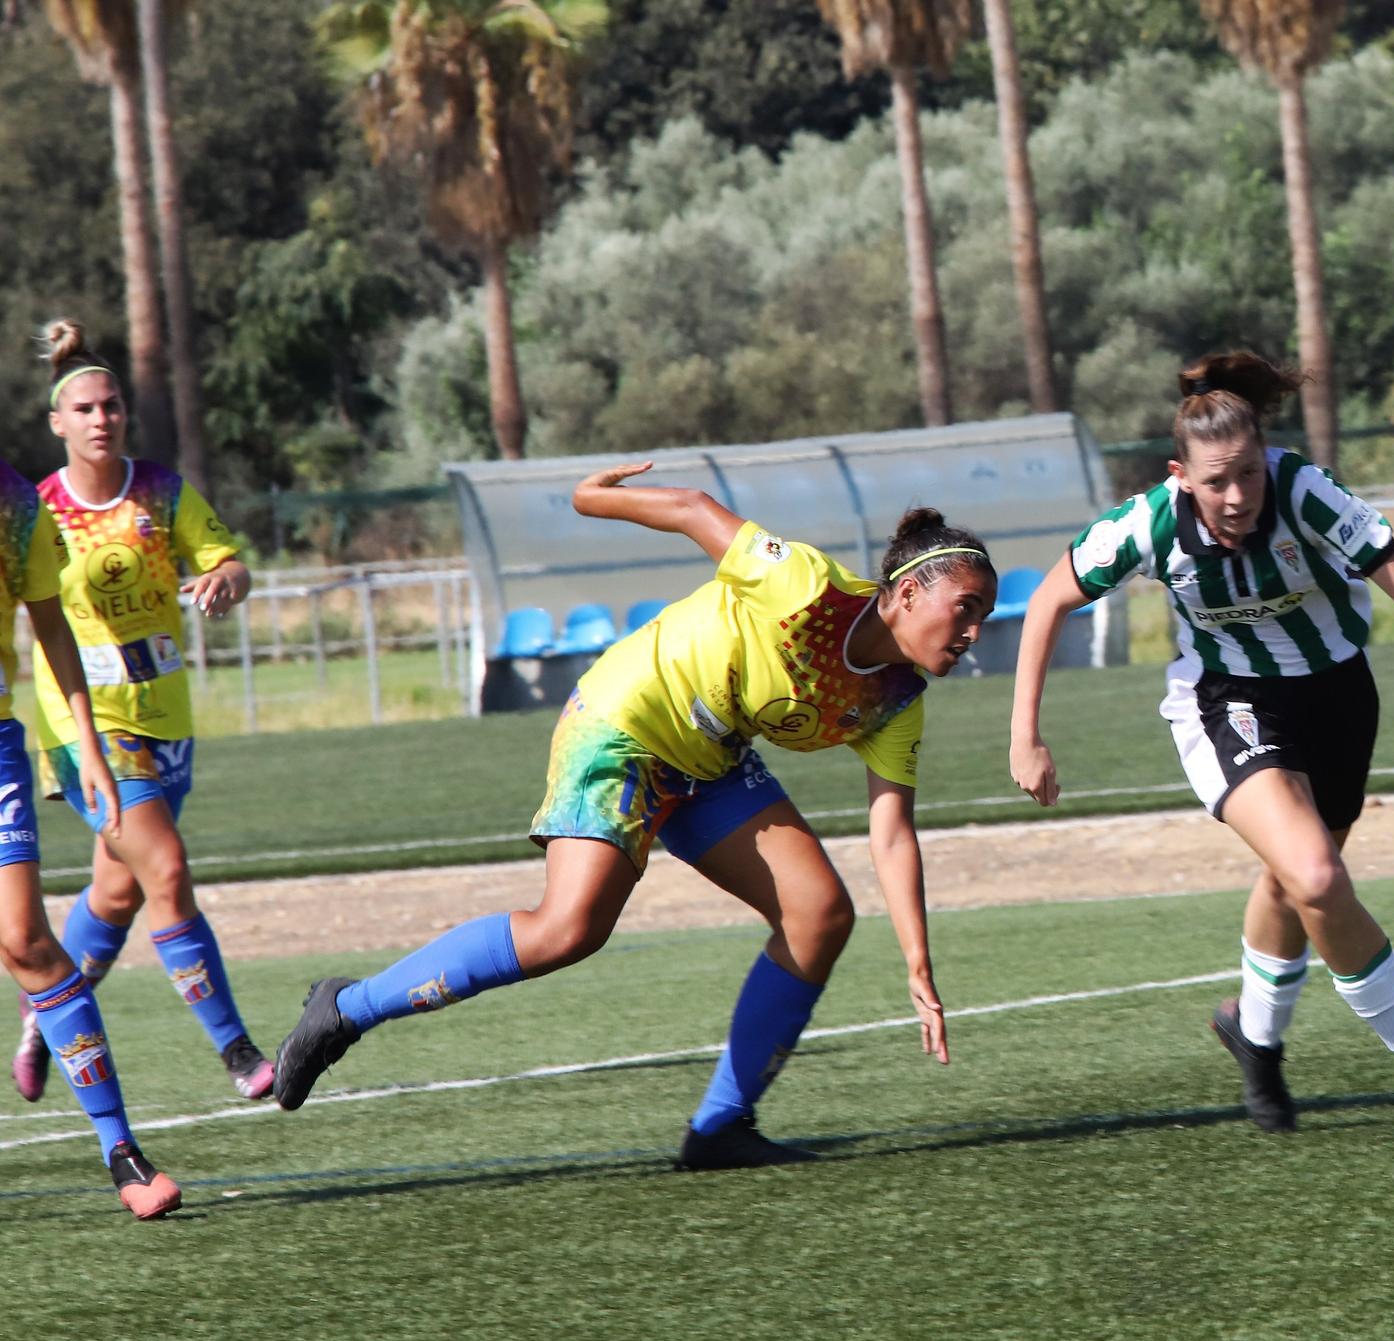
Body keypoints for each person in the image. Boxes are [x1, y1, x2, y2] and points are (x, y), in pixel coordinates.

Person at [272, 463, 996, 1170]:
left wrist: (918, 964)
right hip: (625, 723)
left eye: (984, 615)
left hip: (708, 761)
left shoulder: (896, 700)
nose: (973, 630)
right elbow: (692, 508)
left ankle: (721, 1125)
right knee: (568, 929)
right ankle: (346, 1007)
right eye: (965, 606)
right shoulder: (802, 584)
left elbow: (892, 832)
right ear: (904, 593)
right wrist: (590, 499)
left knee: (819, 913)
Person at [1009, 351, 1394, 1132]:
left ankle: (1254, 1037)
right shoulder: (1148, 524)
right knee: (1317, 873)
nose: (1238, 494)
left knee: (1294, 883)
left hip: (1341, 697)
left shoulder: (1306, 493)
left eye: (1248, 472)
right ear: (1181, 474)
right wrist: (1027, 736)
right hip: (1229, 702)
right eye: (1217, 481)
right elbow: (1048, 599)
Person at [11, 320, 273, 1104]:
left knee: (119, 893)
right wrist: (82, 738)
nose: (101, 418)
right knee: (166, 866)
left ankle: (40, 1014)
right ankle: (238, 1052)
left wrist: (229, 578)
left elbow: (228, 558)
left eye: (112, 405)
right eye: (85, 409)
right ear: (57, 424)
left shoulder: (161, 489)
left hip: (168, 717)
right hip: (86, 727)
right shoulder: (37, 511)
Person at [0, 444, 179, 1217]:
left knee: (23, 940)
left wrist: (92, 748)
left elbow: (51, 628)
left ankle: (121, 1149)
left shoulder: (13, 502)